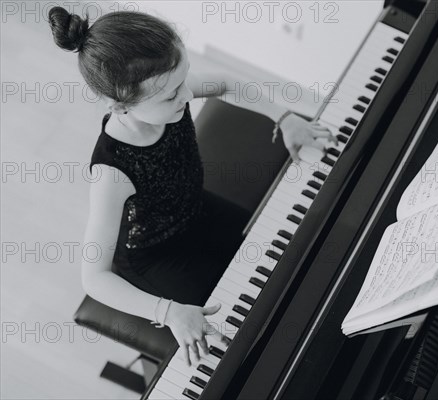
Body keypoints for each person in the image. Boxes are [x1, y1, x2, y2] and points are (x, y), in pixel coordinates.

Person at [48, 6, 336, 367]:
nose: (186, 95)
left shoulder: (169, 89)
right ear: (119, 106)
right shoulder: (111, 173)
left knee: (287, 253)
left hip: (197, 210)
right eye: (170, 95)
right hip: (158, 256)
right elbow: (94, 276)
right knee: (244, 329)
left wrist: (286, 117)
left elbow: (228, 84)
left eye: (184, 80)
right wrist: (167, 312)